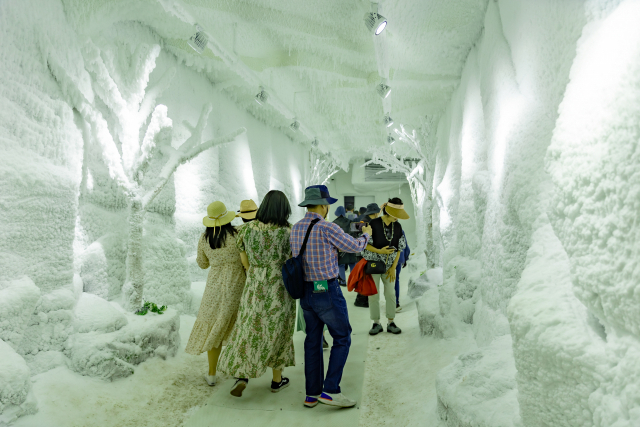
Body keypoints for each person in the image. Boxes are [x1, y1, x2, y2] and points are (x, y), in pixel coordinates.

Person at [290, 185, 372, 409]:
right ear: (324, 206)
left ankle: (312, 394)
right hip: (326, 290)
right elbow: (355, 247)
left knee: (312, 341)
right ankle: (331, 390)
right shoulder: (327, 228)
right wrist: (366, 235)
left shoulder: (296, 228)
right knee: (342, 336)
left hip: (305, 293)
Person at [218, 190, 296, 397]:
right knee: (279, 332)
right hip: (280, 288)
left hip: (254, 286)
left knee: (249, 329)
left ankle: (242, 375)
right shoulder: (289, 231)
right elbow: (292, 259)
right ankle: (277, 381)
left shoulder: (246, 230)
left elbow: (245, 263)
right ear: (285, 209)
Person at [185, 201, 246, 387]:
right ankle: (240, 372)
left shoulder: (204, 238)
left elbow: (202, 264)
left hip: (215, 285)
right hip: (238, 283)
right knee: (238, 325)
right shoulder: (238, 233)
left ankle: (211, 374)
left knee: (214, 326)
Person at [361, 198, 410, 335]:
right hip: (375, 264)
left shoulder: (398, 226)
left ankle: (391, 321)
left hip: (390, 266)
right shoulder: (374, 223)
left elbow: (400, 247)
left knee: (390, 293)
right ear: (388, 212)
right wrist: (380, 251)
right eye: (396, 214)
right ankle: (376, 323)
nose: (397, 218)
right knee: (374, 295)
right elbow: (365, 244)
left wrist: (394, 267)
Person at [353, 203, 381, 308]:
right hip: (364, 254)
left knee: (365, 277)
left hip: (360, 253)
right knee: (365, 277)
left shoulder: (364, 221)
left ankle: (362, 300)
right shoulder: (367, 223)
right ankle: (361, 301)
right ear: (375, 213)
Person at [332, 206, 358, 287]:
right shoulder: (351, 222)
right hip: (351, 247)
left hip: (340, 249)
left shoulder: (333, 224)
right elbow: (356, 235)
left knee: (341, 265)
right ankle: (353, 282)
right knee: (352, 264)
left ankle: (342, 282)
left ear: (336, 213)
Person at [394, 231, 411, 312]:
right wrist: (405, 258)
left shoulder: (384, 227)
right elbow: (405, 246)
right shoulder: (400, 229)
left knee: (389, 280)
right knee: (396, 279)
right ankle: (396, 303)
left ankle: (391, 302)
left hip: (388, 258)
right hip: (399, 258)